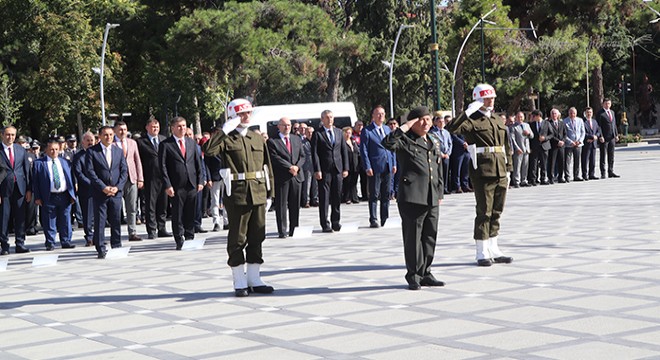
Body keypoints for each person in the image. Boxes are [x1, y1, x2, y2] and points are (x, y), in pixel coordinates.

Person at [202, 98, 275, 297]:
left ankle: (254, 278)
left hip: (258, 193)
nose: (246, 117)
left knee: (257, 236)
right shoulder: (226, 138)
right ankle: (239, 279)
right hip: (237, 194)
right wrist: (224, 130)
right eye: (241, 114)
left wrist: (271, 193)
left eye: (248, 113)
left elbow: (267, 167)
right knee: (237, 238)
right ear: (233, 116)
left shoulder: (257, 138)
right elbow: (208, 151)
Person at [445, 84, 513, 267]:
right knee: (484, 212)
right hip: (482, 170)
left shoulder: (498, 119)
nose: (490, 101)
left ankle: (494, 248)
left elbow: (506, 145)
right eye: (486, 98)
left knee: (497, 211)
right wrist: (467, 112)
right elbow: (452, 128)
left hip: (500, 169)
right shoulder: (471, 119)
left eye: (492, 98)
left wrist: (509, 167)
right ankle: (481, 251)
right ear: (478, 100)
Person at [382, 106, 445, 290]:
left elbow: (438, 167)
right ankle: (413, 275)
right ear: (413, 122)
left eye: (428, 119)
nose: (426, 123)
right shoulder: (404, 140)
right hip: (412, 196)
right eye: (421, 120)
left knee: (429, 236)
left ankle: (426, 272)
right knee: (413, 238)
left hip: (431, 195)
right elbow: (386, 143)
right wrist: (404, 127)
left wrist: (439, 191)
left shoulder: (433, 140)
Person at [159, 117, 204, 250]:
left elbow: (198, 163)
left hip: (191, 183)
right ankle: (179, 238)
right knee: (177, 213)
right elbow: (162, 166)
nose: (182, 128)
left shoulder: (191, 143)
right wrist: (167, 185)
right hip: (176, 185)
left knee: (190, 211)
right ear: (172, 128)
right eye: (179, 126)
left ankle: (190, 237)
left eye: (184, 126)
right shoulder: (166, 144)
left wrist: (200, 180)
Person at [85, 126, 128, 259]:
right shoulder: (92, 152)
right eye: (105, 135)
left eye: (110, 135)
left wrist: (118, 187)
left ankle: (116, 245)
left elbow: (123, 171)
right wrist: (103, 187)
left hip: (115, 192)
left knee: (116, 220)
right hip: (100, 192)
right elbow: (90, 172)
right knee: (100, 221)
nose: (108, 137)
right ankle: (101, 248)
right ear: (100, 136)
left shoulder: (118, 151)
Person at [32, 138, 77, 250]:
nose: (54, 152)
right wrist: (37, 197)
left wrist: (72, 194)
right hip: (48, 196)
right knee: (49, 220)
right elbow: (35, 182)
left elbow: (70, 178)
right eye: (51, 149)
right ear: (46, 150)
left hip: (64, 195)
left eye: (56, 149)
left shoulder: (65, 162)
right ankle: (50, 242)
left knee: (66, 220)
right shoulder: (39, 164)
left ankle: (66, 241)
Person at [267, 117, 305, 238]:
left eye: (289, 125)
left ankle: (294, 229)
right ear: (278, 126)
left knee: (295, 204)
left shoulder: (296, 139)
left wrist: (297, 167)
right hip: (282, 176)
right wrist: (289, 167)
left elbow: (302, 156)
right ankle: (282, 230)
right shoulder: (273, 141)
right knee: (281, 205)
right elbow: (275, 158)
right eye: (284, 125)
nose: (287, 127)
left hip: (296, 176)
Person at [312, 110, 349, 233]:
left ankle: (336, 222)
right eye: (327, 117)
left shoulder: (338, 132)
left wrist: (345, 168)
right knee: (324, 198)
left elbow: (344, 150)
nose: (330, 119)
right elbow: (315, 153)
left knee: (337, 196)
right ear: (322, 119)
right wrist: (317, 169)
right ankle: (325, 223)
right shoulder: (317, 134)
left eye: (331, 117)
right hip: (324, 170)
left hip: (337, 169)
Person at [360, 105, 396, 228]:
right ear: (373, 116)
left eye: (382, 114)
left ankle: (385, 218)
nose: (381, 116)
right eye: (378, 114)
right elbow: (363, 150)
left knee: (386, 194)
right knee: (374, 194)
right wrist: (367, 166)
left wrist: (394, 163)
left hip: (387, 165)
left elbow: (392, 148)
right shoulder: (367, 130)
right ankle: (373, 219)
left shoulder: (387, 129)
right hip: (374, 167)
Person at [136, 118, 171, 239]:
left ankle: (162, 228)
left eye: (157, 127)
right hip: (149, 177)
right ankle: (151, 230)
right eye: (152, 127)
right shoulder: (140, 142)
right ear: (147, 128)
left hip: (163, 177)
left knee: (163, 204)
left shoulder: (163, 140)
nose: (155, 129)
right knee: (150, 205)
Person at [1, 125, 31, 255]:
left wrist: (29, 189)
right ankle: (4, 246)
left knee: (20, 217)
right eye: (8, 134)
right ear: (2, 135)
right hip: (4, 190)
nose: (10, 137)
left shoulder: (20, 150)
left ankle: (20, 243)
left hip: (20, 188)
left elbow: (26, 170)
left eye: (13, 135)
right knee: (4, 218)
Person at [113, 121, 144, 241]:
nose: (123, 132)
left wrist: (140, 178)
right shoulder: (112, 143)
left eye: (125, 129)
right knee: (116, 208)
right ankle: (116, 233)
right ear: (115, 130)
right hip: (116, 180)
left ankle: (132, 232)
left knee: (132, 207)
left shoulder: (132, 143)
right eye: (120, 129)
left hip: (131, 179)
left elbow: (137, 160)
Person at [73, 131, 96, 246]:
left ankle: (98, 236)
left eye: (92, 140)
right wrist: (92, 183)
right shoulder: (78, 156)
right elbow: (78, 173)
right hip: (86, 190)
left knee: (98, 215)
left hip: (99, 189)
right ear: (83, 142)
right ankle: (89, 237)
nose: (90, 143)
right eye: (88, 140)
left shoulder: (98, 153)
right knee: (87, 215)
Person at [204, 127, 229, 232]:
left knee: (227, 199)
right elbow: (206, 164)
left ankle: (227, 221)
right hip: (214, 176)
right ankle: (216, 222)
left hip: (226, 175)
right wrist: (208, 178)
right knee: (214, 200)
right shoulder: (210, 146)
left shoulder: (226, 144)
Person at [596, 98, 620, 178]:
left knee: (611, 155)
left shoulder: (612, 112)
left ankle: (611, 171)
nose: (607, 105)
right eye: (606, 103)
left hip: (612, 137)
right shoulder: (600, 113)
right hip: (604, 138)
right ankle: (603, 173)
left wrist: (616, 134)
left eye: (609, 104)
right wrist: (601, 136)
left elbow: (614, 124)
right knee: (603, 155)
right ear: (603, 104)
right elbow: (599, 126)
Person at [509, 111, 534, 187]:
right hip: (519, 149)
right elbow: (512, 139)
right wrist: (517, 148)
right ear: (516, 118)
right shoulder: (513, 127)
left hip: (526, 149)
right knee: (517, 166)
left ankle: (524, 180)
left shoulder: (526, 125)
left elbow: (532, 136)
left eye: (521, 117)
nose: (520, 118)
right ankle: (517, 181)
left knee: (525, 166)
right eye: (518, 117)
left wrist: (528, 134)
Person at [429, 114, 452, 194]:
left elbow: (450, 143)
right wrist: (441, 154)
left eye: (443, 122)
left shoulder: (446, 132)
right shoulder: (433, 133)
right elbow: (434, 144)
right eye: (440, 122)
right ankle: (439, 189)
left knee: (445, 173)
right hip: (438, 156)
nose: (442, 123)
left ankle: (445, 188)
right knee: (439, 173)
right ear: (436, 123)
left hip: (446, 156)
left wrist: (448, 153)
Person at [527, 110, 550, 186]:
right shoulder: (531, 124)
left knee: (544, 163)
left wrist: (545, 138)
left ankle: (543, 179)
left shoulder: (546, 123)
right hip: (535, 146)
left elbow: (551, 134)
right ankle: (533, 179)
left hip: (544, 146)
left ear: (538, 116)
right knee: (534, 164)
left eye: (534, 116)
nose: (532, 118)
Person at [563, 107, 586, 182]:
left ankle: (576, 175)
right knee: (567, 161)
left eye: (574, 113)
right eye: (571, 113)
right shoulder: (565, 121)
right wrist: (570, 142)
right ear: (568, 113)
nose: (572, 114)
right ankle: (567, 176)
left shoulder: (580, 120)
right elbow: (564, 134)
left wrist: (580, 141)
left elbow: (583, 132)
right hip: (569, 144)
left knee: (577, 160)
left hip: (578, 144)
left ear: (576, 113)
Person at [581, 107, 601, 181]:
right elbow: (582, 133)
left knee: (592, 160)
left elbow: (598, 130)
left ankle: (591, 174)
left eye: (590, 112)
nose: (589, 114)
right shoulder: (582, 121)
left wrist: (596, 136)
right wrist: (591, 136)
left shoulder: (594, 121)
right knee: (585, 160)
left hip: (593, 143)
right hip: (586, 143)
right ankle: (584, 175)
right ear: (585, 113)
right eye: (587, 112)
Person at [547, 108, 566, 183]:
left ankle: (560, 177)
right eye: (553, 113)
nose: (554, 115)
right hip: (553, 145)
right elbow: (549, 134)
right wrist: (558, 141)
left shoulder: (561, 123)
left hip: (561, 146)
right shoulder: (548, 123)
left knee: (561, 161)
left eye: (555, 113)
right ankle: (551, 178)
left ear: (558, 115)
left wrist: (563, 141)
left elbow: (565, 134)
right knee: (552, 162)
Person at [342, 126, 360, 204]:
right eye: (346, 133)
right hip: (347, 164)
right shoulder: (342, 143)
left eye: (349, 133)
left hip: (355, 164)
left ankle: (354, 197)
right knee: (347, 182)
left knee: (354, 182)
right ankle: (347, 197)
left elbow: (357, 151)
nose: (348, 134)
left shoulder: (353, 142)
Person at [300, 126, 317, 208]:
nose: (310, 134)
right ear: (305, 133)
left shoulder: (316, 141)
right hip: (306, 166)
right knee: (307, 184)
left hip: (316, 165)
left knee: (315, 184)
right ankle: (306, 201)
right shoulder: (302, 142)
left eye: (311, 132)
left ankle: (315, 199)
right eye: (308, 132)